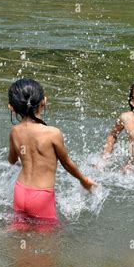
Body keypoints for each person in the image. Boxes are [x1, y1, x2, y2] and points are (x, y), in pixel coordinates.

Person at [7, 78, 95, 227]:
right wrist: (83, 180)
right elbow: (66, 163)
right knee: (47, 241)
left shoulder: (15, 131)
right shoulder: (53, 133)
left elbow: (11, 160)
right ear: (44, 101)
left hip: (20, 191)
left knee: (18, 231)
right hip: (42, 195)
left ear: (12, 108)